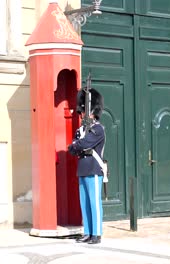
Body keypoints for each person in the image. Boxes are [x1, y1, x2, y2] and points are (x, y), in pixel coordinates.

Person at [68, 88, 105, 245]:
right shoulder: (81, 130)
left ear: (92, 112)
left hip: (94, 168)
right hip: (82, 169)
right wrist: (77, 144)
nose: (82, 114)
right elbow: (72, 148)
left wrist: (77, 144)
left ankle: (96, 234)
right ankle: (88, 232)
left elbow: (83, 144)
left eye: (83, 111)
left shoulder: (98, 129)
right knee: (85, 203)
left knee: (94, 203)